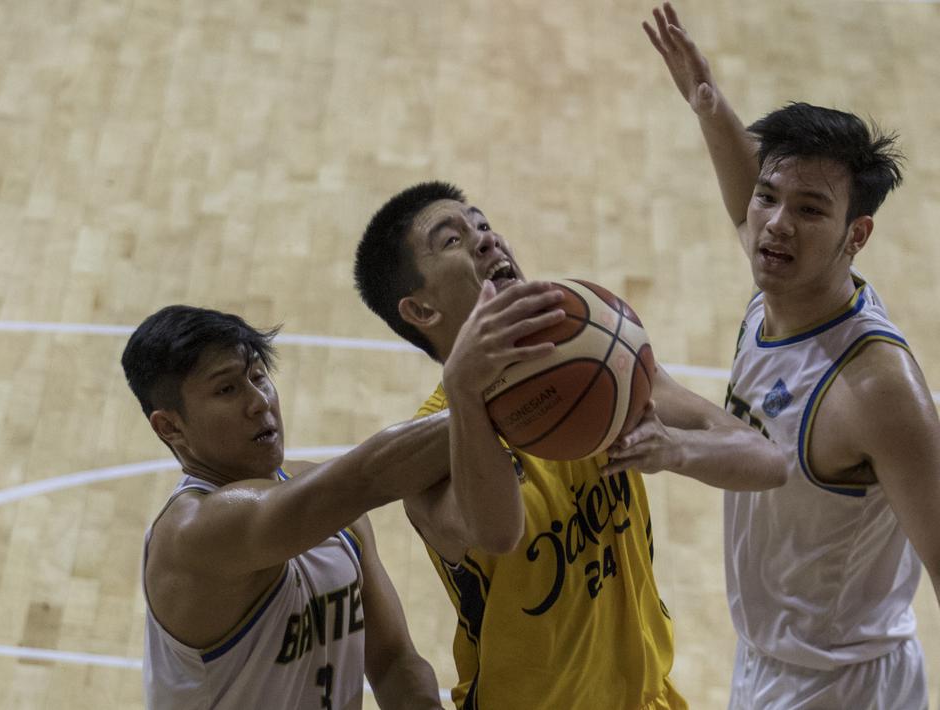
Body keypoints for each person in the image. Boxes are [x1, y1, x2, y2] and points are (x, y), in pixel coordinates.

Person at [352, 182, 787, 709]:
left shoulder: (596, 354)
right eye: (451, 240)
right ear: (421, 310)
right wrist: (465, 390)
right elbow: (498, 532)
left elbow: (769, 462)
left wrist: (674, 448)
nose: (487, 240)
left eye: (483, 225)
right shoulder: (426, 455)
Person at [644, 4, 940, 707]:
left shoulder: (876, 389)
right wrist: (709, 107)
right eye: (768, 199)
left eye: (810, 210)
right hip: (767, 662)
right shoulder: (779, 290)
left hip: (845, 685)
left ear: (855, 235)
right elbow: (744, 199)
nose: (775, 225)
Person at [122, 305, 448, 709]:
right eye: (227, 390)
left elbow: (392, 660)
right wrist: (478, 402)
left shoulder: (325, 501)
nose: (259, 402)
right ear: (170, 427)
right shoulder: (193, 534)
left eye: (258, 376)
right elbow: (369, 477)